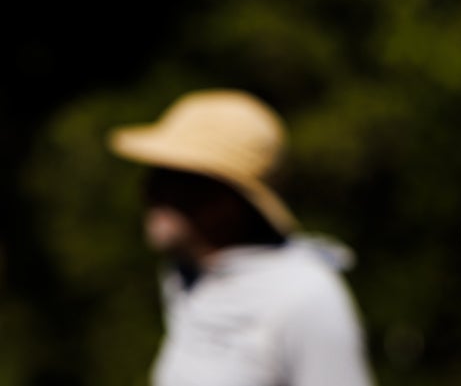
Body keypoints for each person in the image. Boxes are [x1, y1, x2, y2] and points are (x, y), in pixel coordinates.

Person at [108, 88, 374, 386]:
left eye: (176, 179)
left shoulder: (303, 298)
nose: (151, 191)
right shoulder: (187, 281)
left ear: (229, 198)